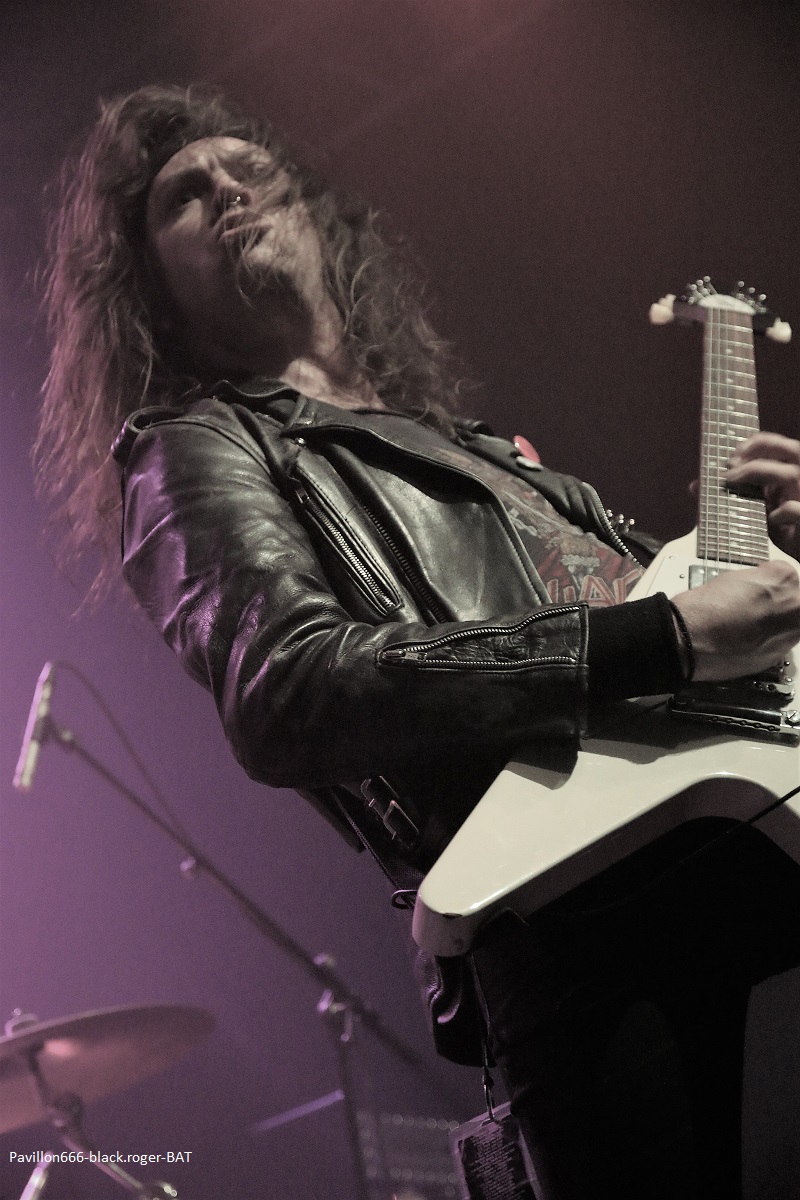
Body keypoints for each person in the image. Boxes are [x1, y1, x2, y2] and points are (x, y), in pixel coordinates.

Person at [36, 84, 800, 1199]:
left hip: (751, 861)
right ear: (150, 288)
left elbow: (710, 636)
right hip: (588, 938)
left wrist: (773, 563)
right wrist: (664, 637)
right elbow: (287, 685)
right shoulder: (196, 446)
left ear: (318, 219)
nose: (228, 191)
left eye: (249, 170)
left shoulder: (488, 452)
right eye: (183, 198)